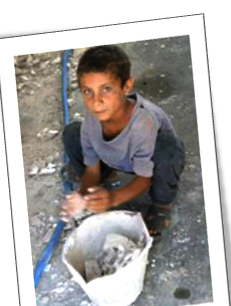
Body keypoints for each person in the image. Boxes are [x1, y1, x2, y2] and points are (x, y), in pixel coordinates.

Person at [61, 45, 186, 236]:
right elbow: (92, 168)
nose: (96, 101)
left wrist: (112, 199)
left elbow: (144, 179)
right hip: (116, 158)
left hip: (150, 162)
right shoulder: (92, 118)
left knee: (168, 150)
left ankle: (162, 206)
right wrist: (84, 194)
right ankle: (107, 178)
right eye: (87, 91)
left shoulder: (143, 123)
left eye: (106, 89)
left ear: (126, 86)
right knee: (71, 133)